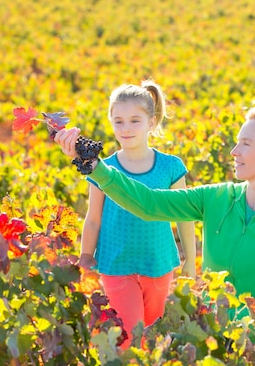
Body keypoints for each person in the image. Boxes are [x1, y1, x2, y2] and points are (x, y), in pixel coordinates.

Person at [55, 106, 255, 366]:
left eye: (246, 144)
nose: (234, 151)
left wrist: (212, 319)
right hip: (220, 338)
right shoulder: (218, 198)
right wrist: (95, 167)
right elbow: (150, 203)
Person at [77, 81, 196, 348]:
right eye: (118, 121)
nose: (126, 128)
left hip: (158, 263)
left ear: (151, 122)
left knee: (152, 337)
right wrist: (85, 256)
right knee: (129, 336)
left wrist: (190, 258)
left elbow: (184, 217)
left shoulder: (170, 167)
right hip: (115, 264)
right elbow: (93, 218)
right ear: (110, 122)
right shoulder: (102, 169)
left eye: (134, 120)